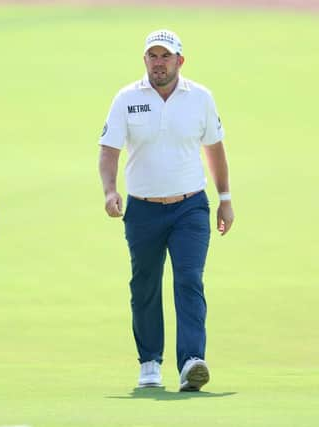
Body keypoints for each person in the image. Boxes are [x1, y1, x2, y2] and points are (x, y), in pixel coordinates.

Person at [98, 29, 234, 392]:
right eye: (152, 56)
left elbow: (214, 148)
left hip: (190, 207)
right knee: (144, 285)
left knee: (189, 280)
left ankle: (191, 362)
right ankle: (149, 363)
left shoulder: (200, 98)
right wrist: (110, 190)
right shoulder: (126, 98)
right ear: (145, 60)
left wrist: (225, 197)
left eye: (165, 56)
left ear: (180, 61)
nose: (159, 63)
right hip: (142, 210)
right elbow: (109, 150)